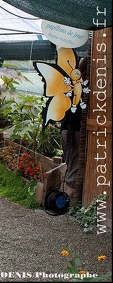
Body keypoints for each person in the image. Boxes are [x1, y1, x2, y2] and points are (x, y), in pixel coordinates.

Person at [61, 56, 88, 204]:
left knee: (70, 166)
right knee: (73, 170)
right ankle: (63, 204)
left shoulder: (72, 84)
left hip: (66, 131)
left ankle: (63, 201)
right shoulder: (88, 88)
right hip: (76, 133)